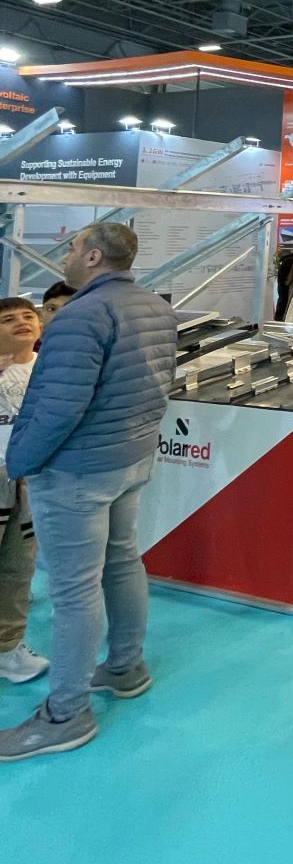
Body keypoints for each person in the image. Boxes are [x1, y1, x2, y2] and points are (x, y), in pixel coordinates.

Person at [0, 223, 177, 763]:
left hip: (76, 472)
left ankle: (66, 713)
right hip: (128, 458)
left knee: (74, 591)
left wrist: (20, 462)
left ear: (94, 256)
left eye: (74, 248)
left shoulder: (80, 316)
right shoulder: (154, 307)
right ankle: (125, 667)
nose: (67, 256)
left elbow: (58, 406)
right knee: (121, 560)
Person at [0, 297, 48, 686]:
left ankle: (7, 647)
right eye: (7, 319)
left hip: (29, 480)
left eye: (28, 316)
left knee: (18, 568)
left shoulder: (50, 369)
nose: (21, 322)